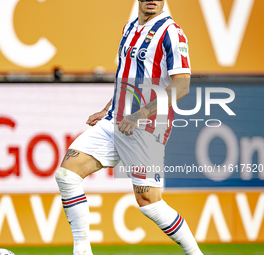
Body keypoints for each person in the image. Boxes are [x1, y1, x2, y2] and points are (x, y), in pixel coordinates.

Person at [55, 0, 204, 254]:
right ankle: (82, 251)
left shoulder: (171, 32)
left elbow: (182, 85)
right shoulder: (129, 28)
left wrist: (140, 114)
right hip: (114, 121)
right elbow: (126, 77)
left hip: (145, 127)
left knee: (149, 202)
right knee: (67, 174)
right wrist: (106, 108)